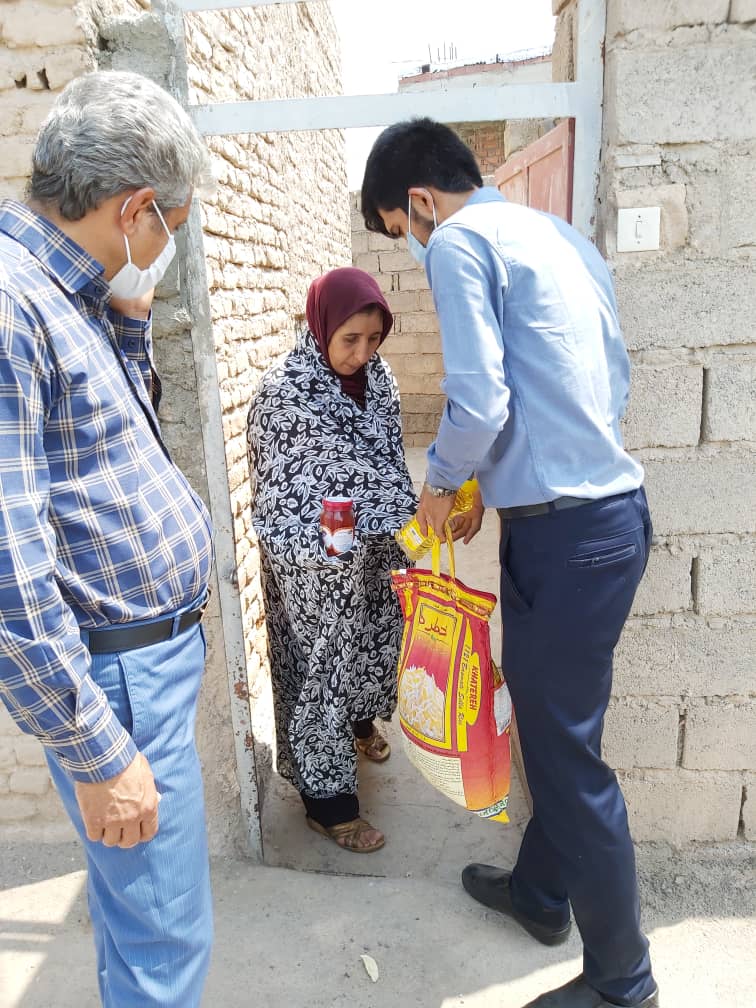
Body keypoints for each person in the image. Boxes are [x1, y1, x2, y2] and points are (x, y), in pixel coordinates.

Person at [360, 118, 658, 1008]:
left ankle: (623, 982)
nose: (413, 247)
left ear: (420, 201)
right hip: (607, 521)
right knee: (560, 736)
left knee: (568, 762)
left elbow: (481, 397)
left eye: (401, 229)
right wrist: (506, 476)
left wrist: (441, 482)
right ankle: (538, 891)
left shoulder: (460, 242)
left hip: (566, 540)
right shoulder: (554, 235)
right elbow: (605, 378)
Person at [0, 71, 216, 1007]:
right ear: (134, 209)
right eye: (172, 222)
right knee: (163, 947)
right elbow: (7, 565)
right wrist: (94, 747)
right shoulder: (13, 304)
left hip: (146, 668)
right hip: (116, 685)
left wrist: (131, 324)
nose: (169, 242)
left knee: (149, 924)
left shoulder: (74, 291)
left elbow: (99, 445)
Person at [247, 267, 418, 853]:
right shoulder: (284, 392)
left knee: (371, 636)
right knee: (322, 662)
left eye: (374, 338)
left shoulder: (380, 379)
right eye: (350, 339)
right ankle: (328, 804)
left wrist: (398, 513)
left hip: (370, 547)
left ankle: (360, 723)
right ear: (320, 326)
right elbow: (289, 486)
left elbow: (386, 461)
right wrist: (395, 505)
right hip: (311, 561)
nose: (362, 353)